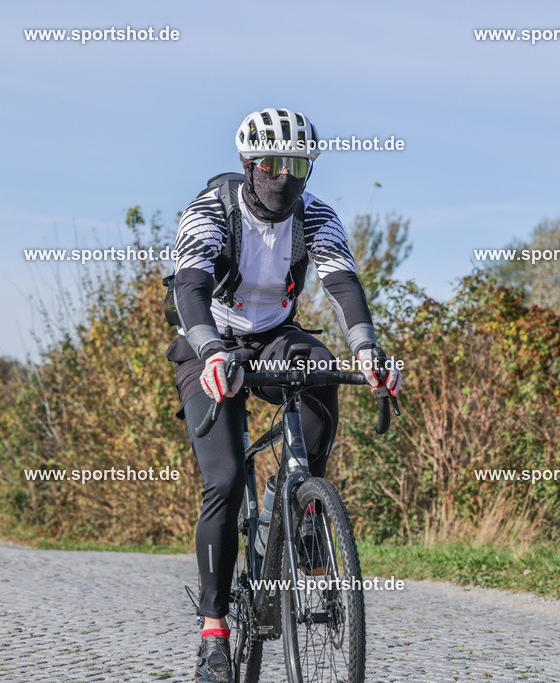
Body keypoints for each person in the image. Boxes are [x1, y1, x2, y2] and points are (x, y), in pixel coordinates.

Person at [166, 107, 402, 683]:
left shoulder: (315, 215)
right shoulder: (211, 210)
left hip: (275, 337)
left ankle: (298, 504)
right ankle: (214, 630)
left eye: (299, 165)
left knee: (321, 365)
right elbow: (190, 287)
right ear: (250, 165)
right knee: (222, 481)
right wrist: (211, 351)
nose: (286, 177)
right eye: (273, 164)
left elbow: (342, 283)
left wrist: (368, 349)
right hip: (210, 339)